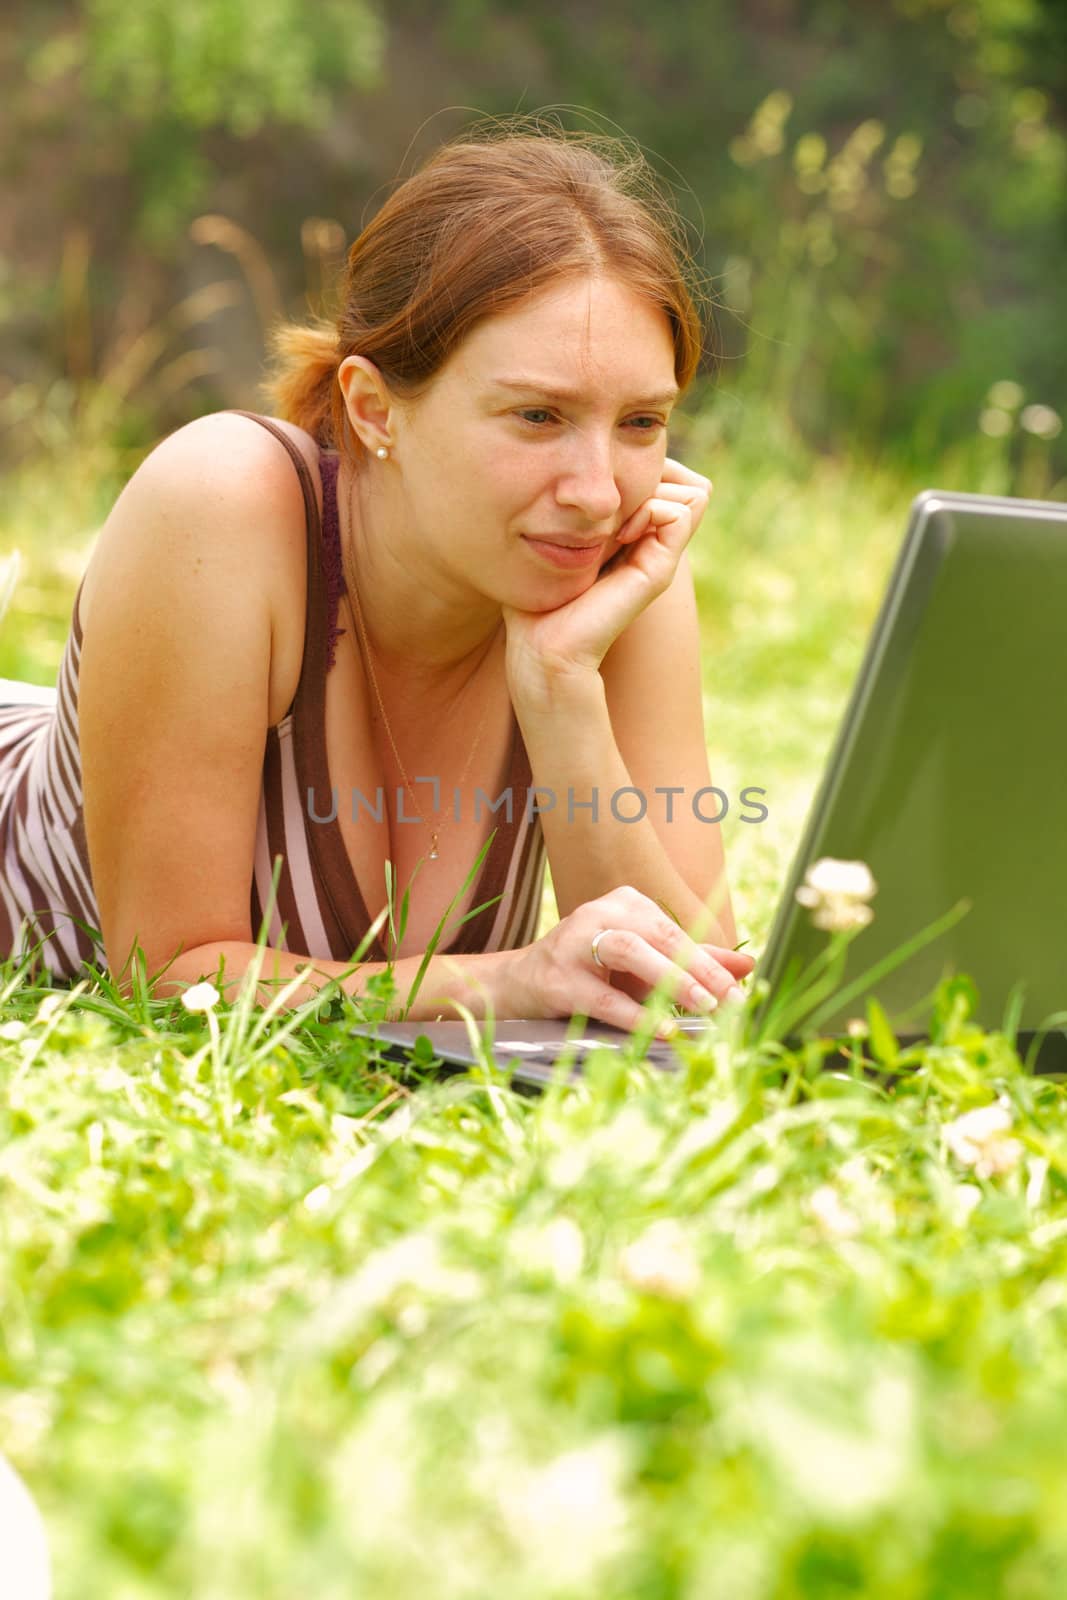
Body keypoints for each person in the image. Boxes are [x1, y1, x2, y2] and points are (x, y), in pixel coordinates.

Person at [0, 118, 755, 1036]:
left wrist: (561, 691)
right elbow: (164, 975)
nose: (597, 492)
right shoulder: (225, 503)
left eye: (640, 422)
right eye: (536, 415)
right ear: (372, 409)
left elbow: (694, 996)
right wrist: (506, 983)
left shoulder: (619, 568)